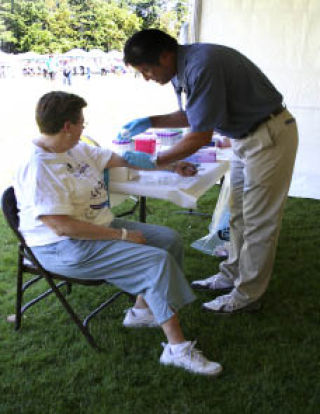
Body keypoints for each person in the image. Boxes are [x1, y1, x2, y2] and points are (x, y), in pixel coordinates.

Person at [13, 91, 222, 376]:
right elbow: (62, 226)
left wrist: (172, 164)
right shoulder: (39, 167)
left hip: (96, 228)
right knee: (154, 262)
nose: (83, 127)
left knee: (169, 239)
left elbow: (123, 158)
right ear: (67, 126)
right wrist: (122, 235)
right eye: (81, 123)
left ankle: (141, 312)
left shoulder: (73, 148)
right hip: (62, 246)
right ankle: (177, 349)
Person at [119, 29, 298, 314]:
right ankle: (230, 275)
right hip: (244, 137)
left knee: (259, 222)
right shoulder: (180, 68)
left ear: (165, 56)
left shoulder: (203, 65)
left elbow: (200, 135)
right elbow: (193, 114)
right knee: (238, 214)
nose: (147, 77)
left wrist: (156, 161)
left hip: (268, 135)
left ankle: (247, 295)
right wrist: (150, 120)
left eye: (146, 69)